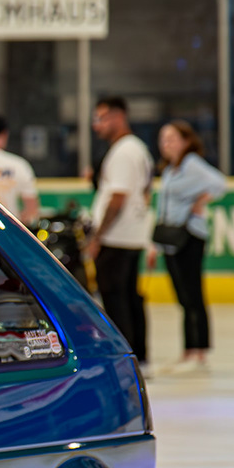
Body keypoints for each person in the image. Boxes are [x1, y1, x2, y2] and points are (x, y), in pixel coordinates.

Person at [150, 119, 227, 374]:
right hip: (171, 238)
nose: (166, 144)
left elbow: (220, 183)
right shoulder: (170, 169)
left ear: (185, 141)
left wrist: (201, 201)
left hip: (190, 235)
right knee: (183, 296)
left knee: (193, 294)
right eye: (163, 139)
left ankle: (199, 350)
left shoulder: (192, 164)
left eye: (172, 139)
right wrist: (155, 244)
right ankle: (188, 350)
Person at [86, 95, 155, 367]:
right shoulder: (137, 149)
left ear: (118, 117)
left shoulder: (124, 152)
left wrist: (97, 237)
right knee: (129, 297)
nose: (97, 125)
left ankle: (125, 357)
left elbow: (117, 199)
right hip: (131, 235)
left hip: (117, 237)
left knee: (116, 299)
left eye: (101, 118)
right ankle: (139, 354)